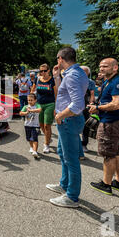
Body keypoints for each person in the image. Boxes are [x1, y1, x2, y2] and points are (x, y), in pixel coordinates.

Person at [46, 47, 88, 208]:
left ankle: (72, 196)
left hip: (68, 120)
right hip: (70, 120)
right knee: (63, 153)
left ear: (60, 59)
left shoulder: (72, 76)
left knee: (71, 160)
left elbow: (77, 104)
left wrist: (60, 115)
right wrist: (57, 76)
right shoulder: (76, 73)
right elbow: (64, 94)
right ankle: (64, 184)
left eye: (57, 59)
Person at [88, 58, 119, 196]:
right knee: (116, 153)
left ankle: (106, 184)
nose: (101, 69)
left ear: (115, 68)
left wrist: (98, 107)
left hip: (111, 123)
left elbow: (117, 104)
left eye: (105, 66)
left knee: (108, 155)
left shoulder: (118, 82)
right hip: (113, 121)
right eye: (100, 66)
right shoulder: (108, 81)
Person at [33, 63, 57, 154]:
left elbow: (56, 94)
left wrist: (56, 106)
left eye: (44, 71)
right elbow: (32, 91)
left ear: (48, 71)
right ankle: (48, 137)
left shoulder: (52, 80)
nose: (43, 72)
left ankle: (46, 144)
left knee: (47, 125)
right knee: (41, 125)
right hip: (39, 104)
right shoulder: (37, 79)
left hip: (50, 104)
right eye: (41, 71)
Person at [19, 93, 41, 159]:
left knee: (34, 138)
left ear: (35, 100)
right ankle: (31, 147)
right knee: (29, 138)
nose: (30, 102)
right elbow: (20, 113)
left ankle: (35, 151)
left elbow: (39, 110)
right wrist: (26, 113)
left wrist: (31, 110)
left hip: (35, 125)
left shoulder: (37, 105)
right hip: (27, 125)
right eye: (28, 100)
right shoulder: (26, 106)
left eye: (31, 100)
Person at [80, 66, 96, 153]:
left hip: (85, 105)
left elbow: (92, 94)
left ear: (88, 73)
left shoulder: (90, 82)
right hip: (75, 106)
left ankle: (84, 144)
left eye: (84, 71)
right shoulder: (74, 80)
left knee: (86, 125)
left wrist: (91, 104)